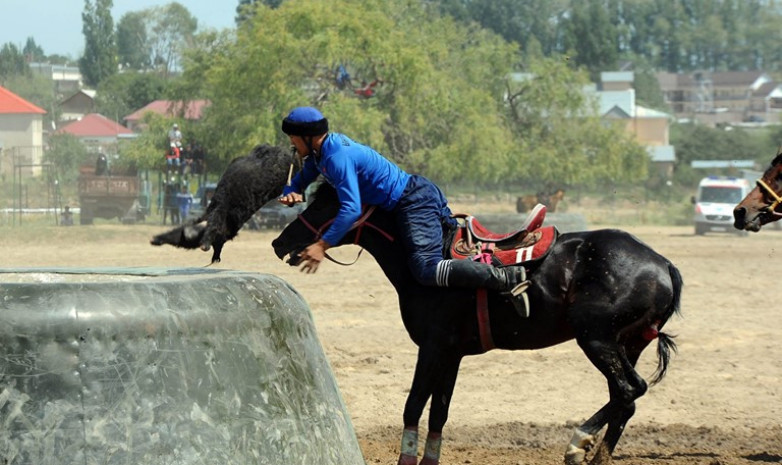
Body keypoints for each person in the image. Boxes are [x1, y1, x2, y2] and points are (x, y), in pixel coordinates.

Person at [278, 106, 546, 316]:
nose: (292, 144)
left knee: (425, 268)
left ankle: (506, 277)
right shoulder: (320, 153)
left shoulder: (337, 158)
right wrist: (291, 189)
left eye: (292, 137)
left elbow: (350, 209)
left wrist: (322, 246)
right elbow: (305, 176)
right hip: (415, 193)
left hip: (413, 200)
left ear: (308, 136)